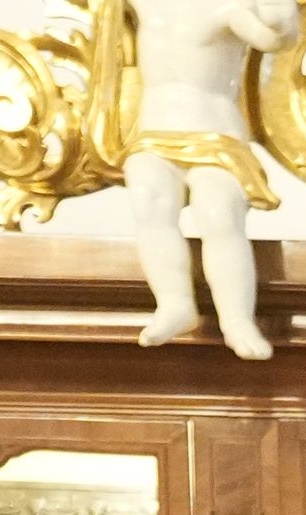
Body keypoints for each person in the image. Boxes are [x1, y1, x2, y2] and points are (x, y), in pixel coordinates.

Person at [113, 0, 290, 359]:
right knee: (148, 198)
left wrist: (279, 15)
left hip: (216, 135)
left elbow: (274, 39)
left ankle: (237, 319)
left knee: (218, 212)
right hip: (154, 131)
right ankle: (174, 303)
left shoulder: (229, 6)